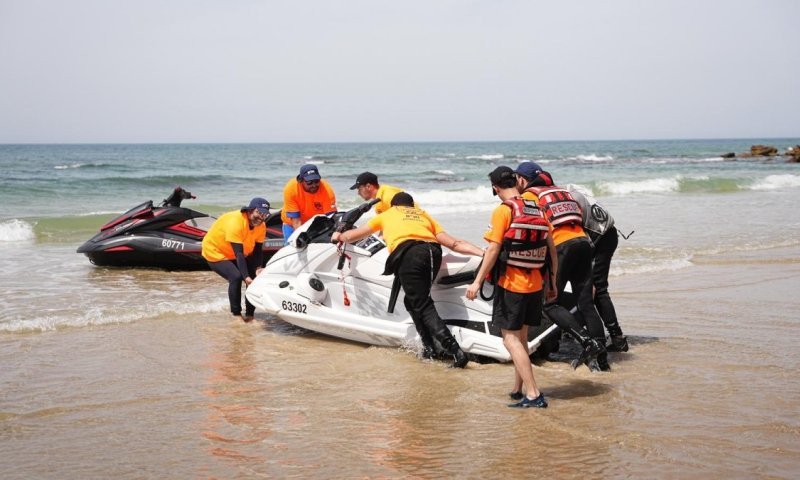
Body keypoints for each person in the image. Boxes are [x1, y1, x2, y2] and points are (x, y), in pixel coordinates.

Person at [332, 192, 484, 368]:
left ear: (394, 205)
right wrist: (482, 253)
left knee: (421, 303)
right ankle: (429, 349)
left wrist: (339, 236)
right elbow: (453, 244)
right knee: (411, 301)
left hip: (410, 254)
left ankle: (455, 351)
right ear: (411, 206)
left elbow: (354, 235)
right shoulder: (423, 215)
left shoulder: (387, 214)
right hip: (433, 252)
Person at [466, 166, 556, 408]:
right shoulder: (538, 208)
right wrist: (553, 282)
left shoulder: (503, 211)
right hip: (536, 283)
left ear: (495, 188)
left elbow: (493, 249)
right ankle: (519, 388)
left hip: (512, 285)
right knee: (522, 337)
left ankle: (534, 393)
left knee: (510, 340)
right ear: (516, 181)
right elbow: (552, 249)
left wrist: (476, 282)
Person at [515, 162, 606, 371]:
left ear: (521, 179)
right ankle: (601, 360)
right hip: (583, 243)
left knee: (549, 303)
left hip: (562, 246)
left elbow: (531, 229)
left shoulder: (530, 196)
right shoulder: (562, 191)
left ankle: (586, 342)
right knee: (586, 303)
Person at [568, 184, 629, 354]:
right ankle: (580, 328)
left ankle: (617, 338)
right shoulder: (570, 190)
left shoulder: (561, 198)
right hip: (606, 234)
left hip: (599, 239)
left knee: (596, 288)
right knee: (588, 287)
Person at [202, 197, 270, 322]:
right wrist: (246, 277)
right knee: (236, 277)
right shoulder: (236, 223)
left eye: (264, 214)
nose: (261, 217)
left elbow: (258, 250)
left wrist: (258, 268)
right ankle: (236, 315)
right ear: (249, 211)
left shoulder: (261, 225)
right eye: (259, 213)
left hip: (238, 253)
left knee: (255, 278)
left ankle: (250, 315)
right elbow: (239, 254)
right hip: (216, 252)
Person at [281, 164, 337, 241]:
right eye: (309, 182)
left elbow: (331, 218)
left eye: (316, 181)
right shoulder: (291, 189)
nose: (314, 185)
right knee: (292, 247)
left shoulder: (327, 190)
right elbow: (296, 222)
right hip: (291, 224)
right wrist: (301, 238)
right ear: (301, 181)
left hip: (315, 224)